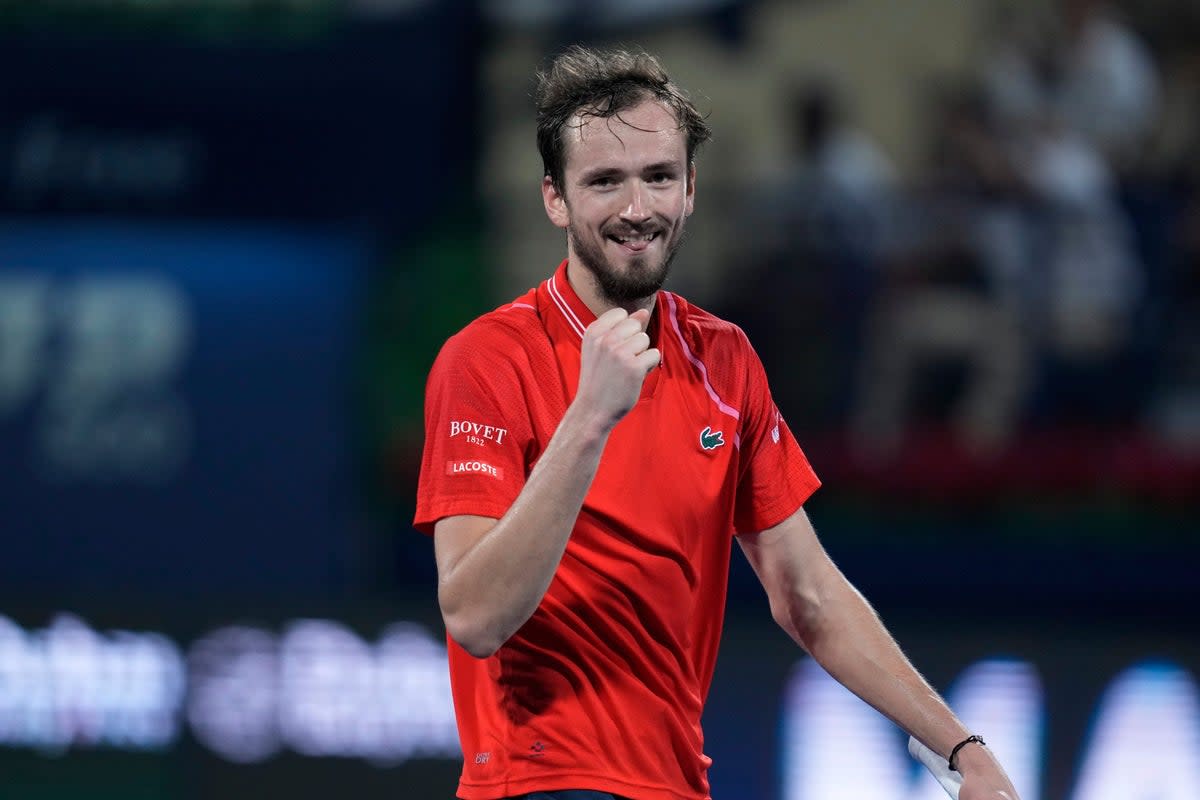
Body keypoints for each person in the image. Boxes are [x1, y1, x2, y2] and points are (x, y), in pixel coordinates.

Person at [414, 45, 1022, 800]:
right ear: (555, 200)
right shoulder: (486, 360)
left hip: (676, 785)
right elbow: (474, 615)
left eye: (658, 177)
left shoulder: (724, 359)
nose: (637, 209)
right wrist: (588, 421)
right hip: (540, 782)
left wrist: (961, 748)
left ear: (691, 188)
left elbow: (808, 595)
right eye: (605, 181)